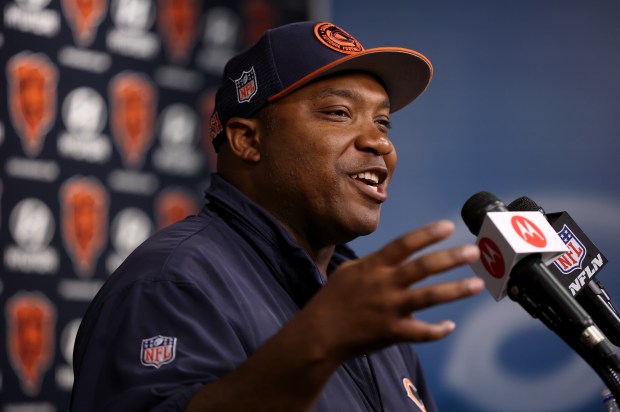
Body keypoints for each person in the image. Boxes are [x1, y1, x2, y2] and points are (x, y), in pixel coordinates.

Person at [70, 21, 484, 412]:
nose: (379, 142)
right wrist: (317, 342)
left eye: (383, 122)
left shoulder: (363, 303)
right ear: (248, 140)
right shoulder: (171, 285)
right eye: (339, 113)